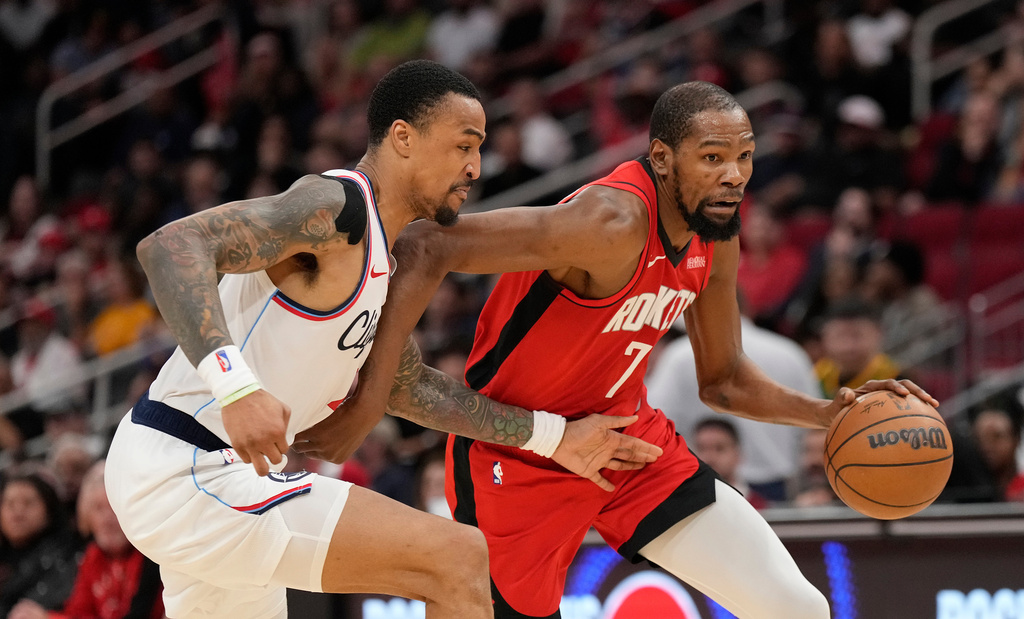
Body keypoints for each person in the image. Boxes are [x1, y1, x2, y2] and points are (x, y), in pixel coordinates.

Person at [297, 81, 938, 619]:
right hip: (519, 454)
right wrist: (367, 402)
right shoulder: (607, 223)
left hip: (630, 444)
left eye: (744, 156)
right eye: (711, 157)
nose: (735, 175)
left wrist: (830, 415)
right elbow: (425, 247)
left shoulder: (717, 237)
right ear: (661, 157)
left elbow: (725, 381)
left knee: (796, 608)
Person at [104, 60, 659, 619]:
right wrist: (236, 388)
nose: (475, 167)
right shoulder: (336, 208)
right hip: (184, 464)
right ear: (403, 138)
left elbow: (409, 388)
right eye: (463, 146)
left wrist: (554, 438)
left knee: (454, 560)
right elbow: (172, 247)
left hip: (217, 477)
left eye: (480, 149)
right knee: (458, 558)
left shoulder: (380, 260)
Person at [648, 292, 820, 501]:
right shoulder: (789, 353)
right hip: (777, 482)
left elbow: (655, 422)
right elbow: (814, 428)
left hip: (705, 479)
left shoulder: (680, 354)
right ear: (748, 309)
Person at [8, 460, 164, 619]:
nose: (106, 520)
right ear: (87, 515)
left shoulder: (151, 554)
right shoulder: (93, 556)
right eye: (98, 508)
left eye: (113, 508)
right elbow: (77, 613)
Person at [690, 417, 767, 509]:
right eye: (701, 448)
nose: (709, 457)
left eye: (719, 448)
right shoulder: (682, 507)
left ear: (738, 454)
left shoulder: (761, 508)